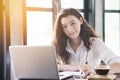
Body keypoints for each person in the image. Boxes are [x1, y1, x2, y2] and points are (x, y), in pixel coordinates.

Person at [53, 8, 120, 76]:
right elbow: (47, 65)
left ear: (81, 20)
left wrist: (94, 71)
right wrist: (72, 67)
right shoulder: (58, 44)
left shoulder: (95, 43)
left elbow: (118, 65)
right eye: (64, 26)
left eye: (73, 23)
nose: (70, 29)